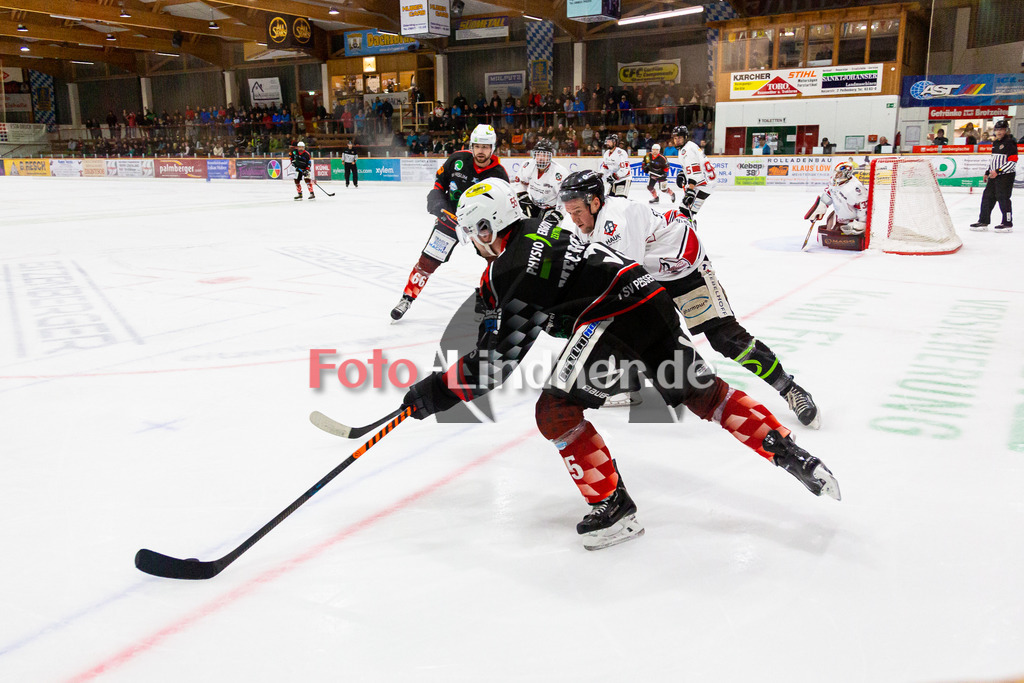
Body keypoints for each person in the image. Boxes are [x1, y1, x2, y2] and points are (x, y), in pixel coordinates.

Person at [401, 179, 840, 550]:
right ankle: (789, 451)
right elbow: (525, 301)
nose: (475, 245)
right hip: (650, 298)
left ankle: (613, 508)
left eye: (476, 234)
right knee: (706, 394)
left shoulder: (511, 270)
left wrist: (432, 393)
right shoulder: (539, 229)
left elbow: (492, 368)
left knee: (555, 412)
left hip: (612, 320)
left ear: (486, 227)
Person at [561, 170, 821, 428]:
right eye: (570, 213)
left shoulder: (617, 221)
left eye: (577, 212)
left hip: (685, 268)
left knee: (725, 338)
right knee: (631, 325)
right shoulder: (587, 222)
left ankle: (789, 388)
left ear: (595, 202)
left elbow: (624, 280)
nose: (574, 220)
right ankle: (629, 382)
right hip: (652, 271)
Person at [390, 124, 509, 321]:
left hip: (481, 226)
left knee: (496, 262)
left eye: (486, 147)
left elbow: (503, 205)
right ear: (471, 146)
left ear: (493, 148)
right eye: (478, 146)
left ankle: (488, 300)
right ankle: (407, 298)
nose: (481, 151)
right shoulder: (458, 160)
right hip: (450, 220)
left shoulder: (499, 174)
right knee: (428, 261)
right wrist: (437, 203)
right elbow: (439, 185)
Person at [805, 161, 868, 248]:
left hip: (852, 220)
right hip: (840, 215)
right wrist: (820, 208)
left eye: (839, 173)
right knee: (829, 233)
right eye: (836, 172)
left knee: (840, 239)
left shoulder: (855, 188)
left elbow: (864, 208)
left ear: (846, 174)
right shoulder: (834, 181)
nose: (836, 175)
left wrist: (861, 223)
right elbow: (829, 194)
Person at [971, 119, 1016, 232]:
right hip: (994, 175)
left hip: (1006, 175)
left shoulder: (1010, 142)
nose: (999, 132)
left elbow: (1013, 161)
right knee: (987, 197)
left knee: (1003, 198)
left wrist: (999, 171)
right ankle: (983, 221)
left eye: (1002, 130)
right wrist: (988, 172)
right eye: (997, 130)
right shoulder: (995, 143)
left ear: (1006, 130)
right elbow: (994, 160)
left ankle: (1007, 223)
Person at [511, 138, 568, 219]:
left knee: (546, 230)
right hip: (533, 205)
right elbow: (520, 182)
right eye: (538, 154)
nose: (541, 158)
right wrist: (523, 197)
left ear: (550, 156)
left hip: (552, 208)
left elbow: (563, 197)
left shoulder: (559, 173)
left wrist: (558, 214)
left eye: (544, 155)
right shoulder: (527, 165)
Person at [672, 126, 716, 218]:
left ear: (685, 137)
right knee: (685, 210)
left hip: (703, 184)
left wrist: (690, 190)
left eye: (679, 137)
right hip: (704, 181)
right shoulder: (688, 146)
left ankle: (688, 230)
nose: (677, 140)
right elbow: (692, 167)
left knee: (685, 211)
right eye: (675, 138)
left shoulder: (687, 150)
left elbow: (695, 171)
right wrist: (683, 173)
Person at [599, 134, 632, 198]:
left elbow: (624, 170)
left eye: (609, 142)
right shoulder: (606, 154)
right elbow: (605, 167)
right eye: (607, 141)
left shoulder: (621, 153)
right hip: (614, 181)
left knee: (620, 201)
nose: (607, 143)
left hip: (623, 180)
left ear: (615, 142)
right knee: (610, 201)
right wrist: (601, 174)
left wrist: (614, 176)